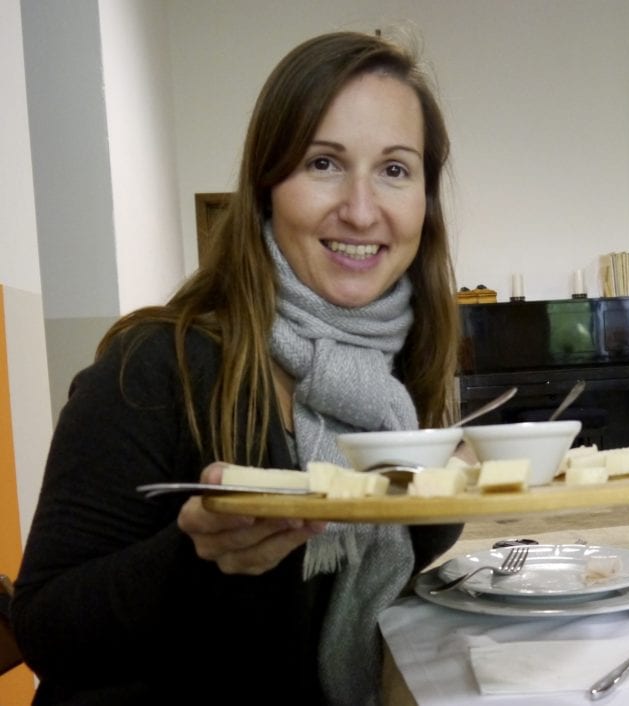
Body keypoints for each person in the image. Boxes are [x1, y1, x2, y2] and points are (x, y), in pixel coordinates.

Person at [13, 31, 463, 705]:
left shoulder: (402, 375)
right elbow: (45, 627)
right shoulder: (157, 368)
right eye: (324, 163)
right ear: (266, 186)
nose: (362, 209)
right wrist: (196, 558)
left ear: (425, 204)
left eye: (395, 170)